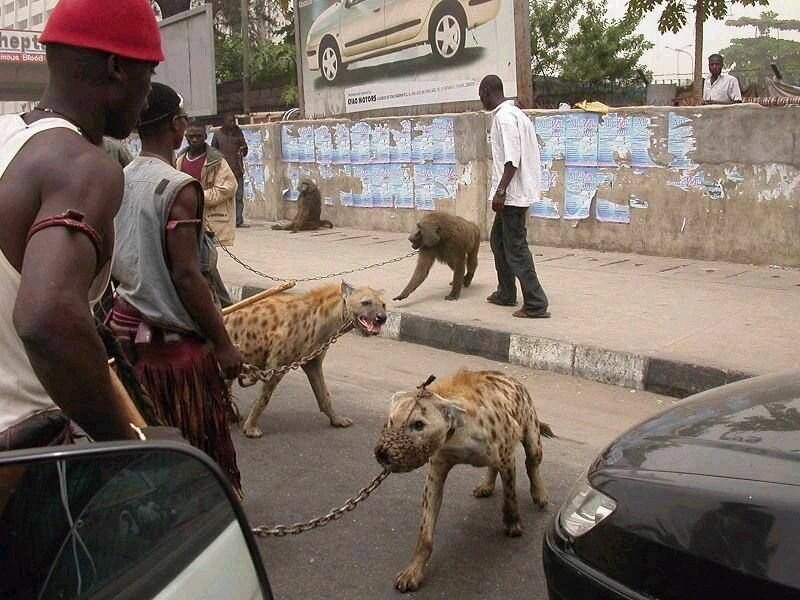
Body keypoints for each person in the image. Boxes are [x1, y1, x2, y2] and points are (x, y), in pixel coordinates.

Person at [0, 0, 165, 449]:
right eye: (147, 75)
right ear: (115, 69)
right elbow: (46, 317)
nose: (148, 94)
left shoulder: (7, 137)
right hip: (24, 459)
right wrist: (128, 443)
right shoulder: (83, 166)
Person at [109, 83, 245, 494]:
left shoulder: (121, 177)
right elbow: (187, 274)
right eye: (184, 119)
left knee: (148, 448)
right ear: (176, 125)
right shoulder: (178, 187)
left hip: (127, 336)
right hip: (172, 353)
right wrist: (223, 343)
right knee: (196, 445)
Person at [478, 74, 550, 319]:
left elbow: (512, 159)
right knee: (498, 240)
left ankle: (536, 302)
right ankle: (506, 291)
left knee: (516, 248)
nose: (481, 101)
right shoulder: (517, 114)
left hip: (512, 194)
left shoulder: (505, 118)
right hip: (514, 193)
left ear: (488, 91)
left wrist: (501, 191)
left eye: (481, 96)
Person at [176, 120, 237, 308]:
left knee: (206, 264)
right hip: (186, 220)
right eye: (191, 136)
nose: (194, 140)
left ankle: (224, 306)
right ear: (186, 137)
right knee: (198, 265)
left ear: (205, 136)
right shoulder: (180, 159)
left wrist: (197, 197)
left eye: (198, 136)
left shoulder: (216, 161)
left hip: (209, 221)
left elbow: (228, 187)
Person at [212, 112, 249, 228]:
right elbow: (213, 151)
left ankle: (238, 220)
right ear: (224, 122)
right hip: (223, 171)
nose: (232, 123)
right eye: (230, 121)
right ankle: (225, 219)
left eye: (233, 121)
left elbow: (245, 149)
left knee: (238, 196)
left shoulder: (238, 133)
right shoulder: (218, 134)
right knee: (224, 197)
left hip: (237, 169)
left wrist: (242, 150)